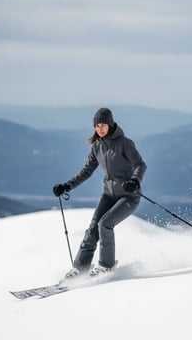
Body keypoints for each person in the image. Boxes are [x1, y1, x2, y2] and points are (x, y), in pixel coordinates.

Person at [52, 107, 147, 279]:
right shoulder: (97, 146)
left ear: (110, 125)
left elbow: (141, 165)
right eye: (97, 126)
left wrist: (135, 181)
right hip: (109, 195)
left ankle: (106, 266)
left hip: (129, 196)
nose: (100, 129)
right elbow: (86, 171)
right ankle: (80, 268)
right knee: (93, 228)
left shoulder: (125, 143)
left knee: (105, 224)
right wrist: (67, 186)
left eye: (103, 125)